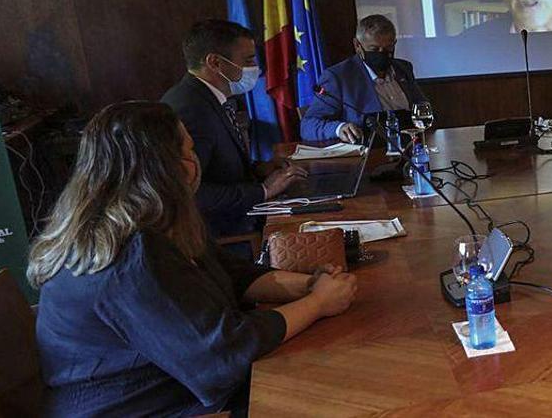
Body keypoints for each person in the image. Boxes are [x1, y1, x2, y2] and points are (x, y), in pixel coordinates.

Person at [27, 101, 358, 417]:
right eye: (187, 150)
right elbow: (222, 353)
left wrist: (312, 285)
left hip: (172, 389)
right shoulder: (129, 250)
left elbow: (234, 276)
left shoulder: (151, 222)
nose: (194, 159)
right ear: (165, 167)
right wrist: (317, 304)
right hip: (143, 407)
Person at [162, 20, 306, 237]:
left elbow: (218, 168)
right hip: (226, 235)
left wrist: (261, 169)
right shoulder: (190, 109)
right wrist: (264, 190)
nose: (255, 67)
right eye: (248, 60)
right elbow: (189, 192)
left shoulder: (210, 97)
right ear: (215, 63)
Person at [301, 15, 428, 143]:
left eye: (388, 48)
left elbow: (423, 109)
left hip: (412, 146)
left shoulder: (403, 68)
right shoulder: (338, 77)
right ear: (357, 45)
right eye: (374, 49)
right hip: (371, 153)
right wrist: (339, 128)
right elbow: (308, 125)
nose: (382, 53)